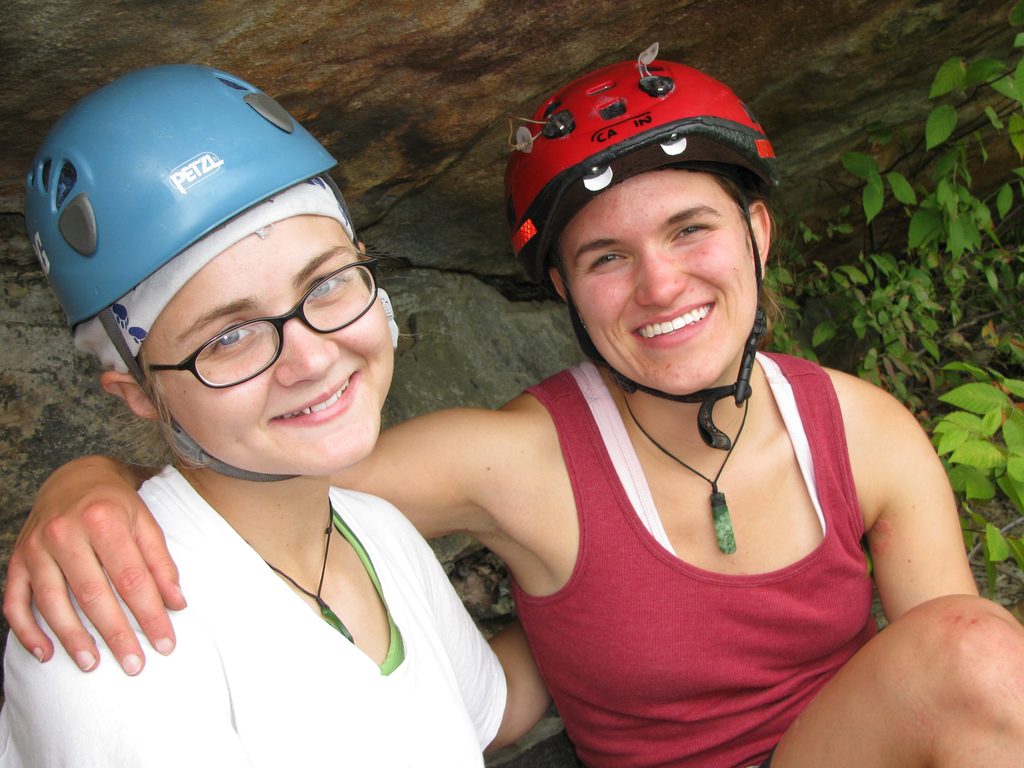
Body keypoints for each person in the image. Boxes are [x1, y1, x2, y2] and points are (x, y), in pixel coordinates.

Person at [7, 45, 1024, 768]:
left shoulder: (860, 431)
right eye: (605, 257)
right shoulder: (503, 465)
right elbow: (250, 493)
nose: (661, 287)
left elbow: (959, 696)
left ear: (757, 232)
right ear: (564, 292)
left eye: (689, 231)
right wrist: (84, 487)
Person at [0, 63, 548, 766]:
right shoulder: (114, 623)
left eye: (325, 284)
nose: (312, 359)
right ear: (137, 393)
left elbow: (484, 711)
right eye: (228, 337)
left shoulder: (373, 532)